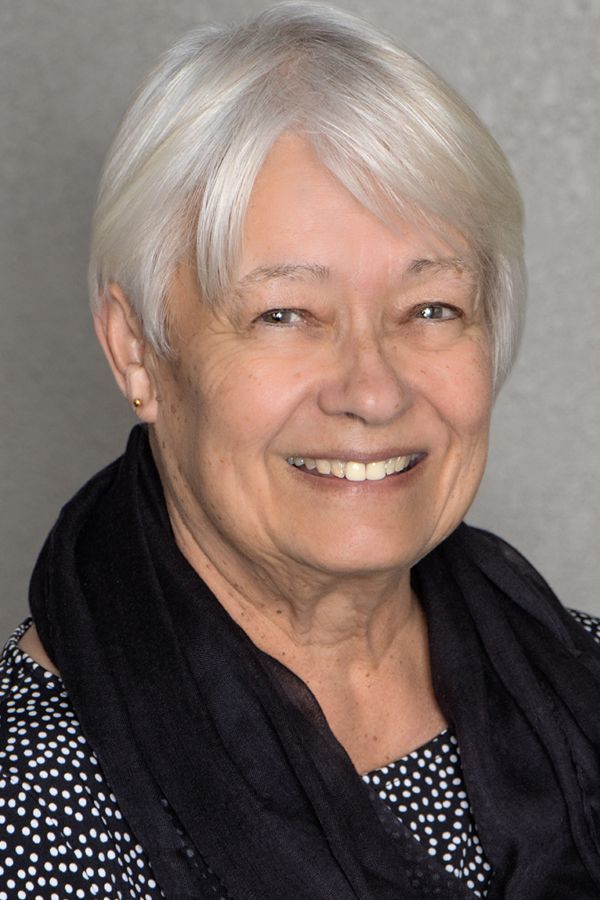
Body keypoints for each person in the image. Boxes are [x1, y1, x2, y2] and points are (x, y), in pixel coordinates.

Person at [2, 4, 600, 898]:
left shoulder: (580, 678)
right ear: (138, 350)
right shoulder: (29, 805)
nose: (373, 391)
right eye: (285, 315)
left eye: (432, 308)